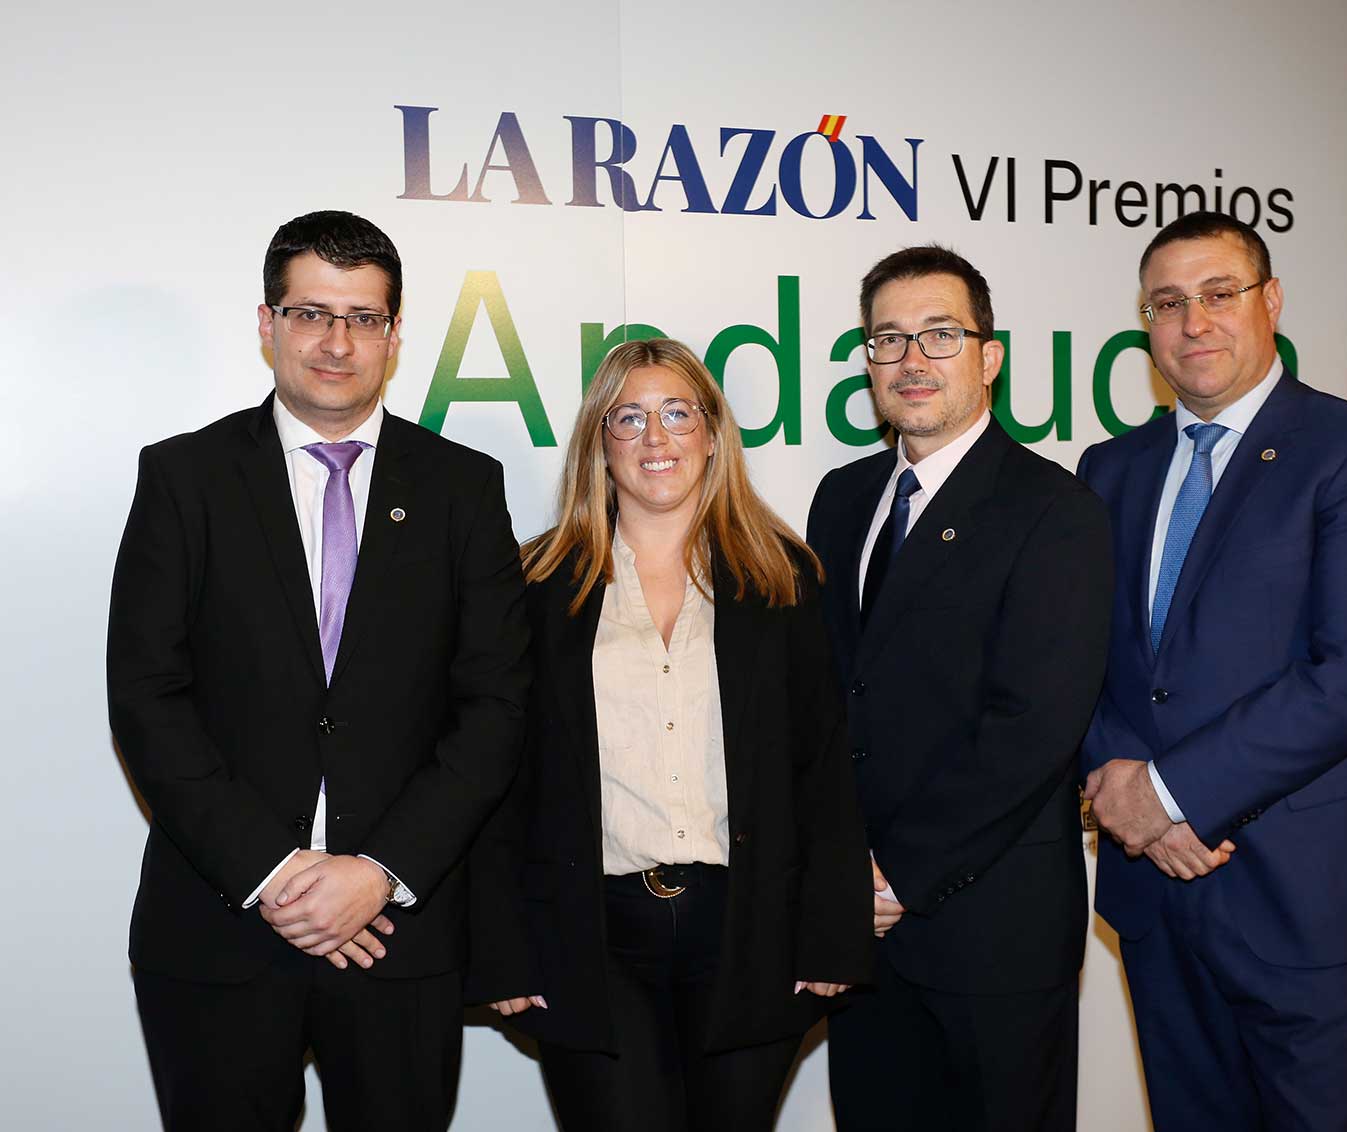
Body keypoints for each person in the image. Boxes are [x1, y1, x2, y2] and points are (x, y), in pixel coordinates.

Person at [106, 210, 530, 1131]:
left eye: (363, 318)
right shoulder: (185, 478)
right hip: (219, 926)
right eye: (311, 314)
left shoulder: (463, 488)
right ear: (268, 323)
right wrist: (272, 871)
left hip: (398, 934)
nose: (338, 343)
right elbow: (147, 697)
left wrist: (379, 871)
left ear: (394, 335)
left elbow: (496, 706)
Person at [1077, 210, 1347, 1131]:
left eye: (1220, 294)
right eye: (1167, 303)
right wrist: (1123, 788)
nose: (1193, 323)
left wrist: (1166, 794)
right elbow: (1081, 656)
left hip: (1315, 895)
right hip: (1158, 895)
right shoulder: (1109, 468)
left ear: (1272, 300)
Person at [465, 337, 872, 1132]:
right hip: (589, 937)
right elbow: (499, 770)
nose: (656, 438)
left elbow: (822, 765)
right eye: (629, 418)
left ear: (712, 434)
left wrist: (833, 933)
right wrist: (501, 945)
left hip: (751, 932)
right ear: (599, 441)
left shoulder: (783, 577)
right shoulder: (535, 584)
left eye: (678, 414)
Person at [805, 246, 1113, 1131]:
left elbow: (1033, 728)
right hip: (860, 929)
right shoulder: (842, 497)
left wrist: (895, 877)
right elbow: (829, 700)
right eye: (888, 339)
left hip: (992, 931)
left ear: (990, 357)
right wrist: (838, 873)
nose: (912, 360)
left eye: (940, 335)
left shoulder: (1053, 509)